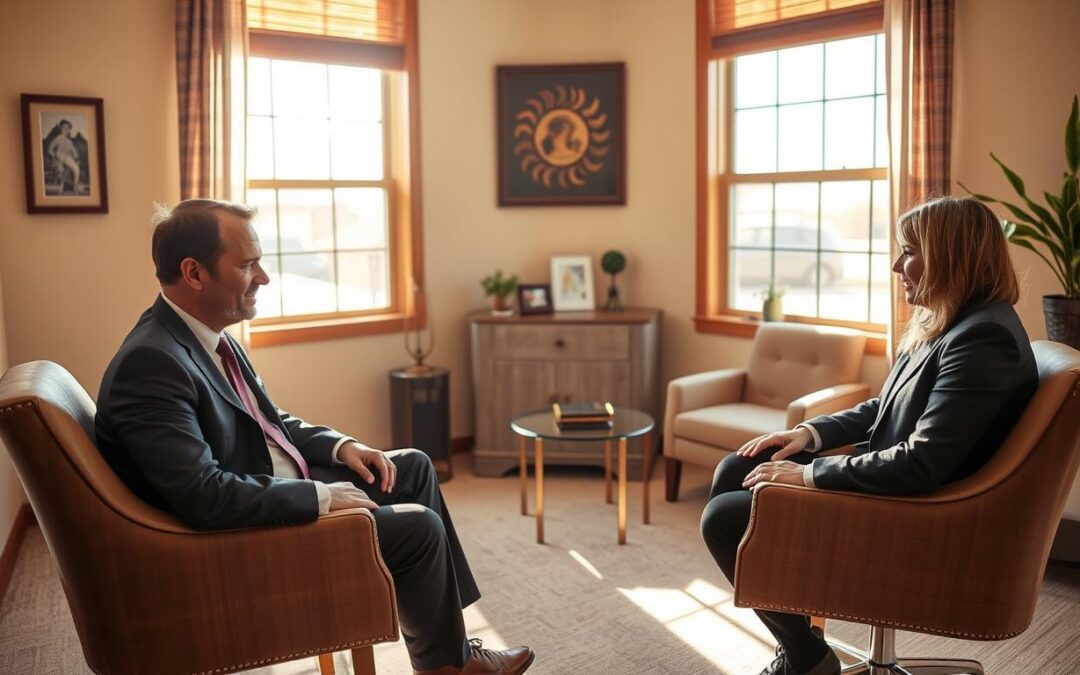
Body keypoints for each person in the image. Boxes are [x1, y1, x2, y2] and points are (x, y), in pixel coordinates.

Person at [95, 199, 535, 675]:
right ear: (194, 273)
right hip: (234, 541)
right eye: (246, 265)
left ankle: (451, 653)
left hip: (265, 483)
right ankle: (450, 668)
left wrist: (343, 447)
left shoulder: (207, 336)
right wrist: (321, 498)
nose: (263, 277)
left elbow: (269, 421)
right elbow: (203, 496)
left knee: (410, 467)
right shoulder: (152, 363)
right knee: (419, 527)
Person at [699, 196, 1038, 675]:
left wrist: (809, 476)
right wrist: (808, 434)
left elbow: (922, 463)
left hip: (920, 512)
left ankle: (806, 659)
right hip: (899, 486)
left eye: (909, 252)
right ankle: (804, 642)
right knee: (738, 468)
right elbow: (885, 407)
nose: (897, 266)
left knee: (724, 518)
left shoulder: (983, 338)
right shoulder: (952, 321)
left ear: (950, 256)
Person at [47, 119, 82, 194]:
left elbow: (74, 151)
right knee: (76, 169)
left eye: (68, 128)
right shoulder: (58, 138)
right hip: (62, 156)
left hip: (69, 158)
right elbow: (50, 149)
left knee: (66, 173)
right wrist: (56, 156)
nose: (67, 130)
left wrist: (77, 159)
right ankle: (75, 189)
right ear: (61, 129)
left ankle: (62, 189)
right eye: (64, 129)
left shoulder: (69, 141)